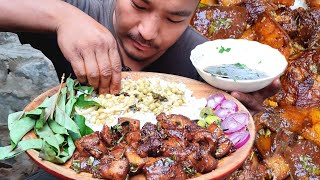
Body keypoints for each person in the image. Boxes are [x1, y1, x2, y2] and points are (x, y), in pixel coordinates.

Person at [0, 0, 280, 113]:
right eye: (139, 5)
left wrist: (243, 103)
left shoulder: (202, 63)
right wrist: (61, 17)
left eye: (174, 19)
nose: (148, 32)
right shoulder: (81, 11)